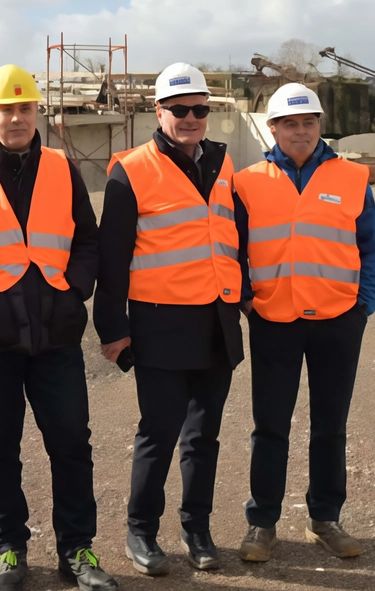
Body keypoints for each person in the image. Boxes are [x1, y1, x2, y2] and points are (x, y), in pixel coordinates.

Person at [0, 64, 116, 591]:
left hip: (55, 337)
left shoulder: (61, 167)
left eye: (25, 107)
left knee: (71, 444)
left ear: (38, 111)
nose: (16, 118)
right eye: (6, 108)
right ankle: (10, 548)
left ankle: (77, 549)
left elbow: (87, 239)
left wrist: (74, 288)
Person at [94, 62, 244, 575]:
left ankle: (197, 528)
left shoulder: (223, 165)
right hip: (160, 325)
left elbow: (233, 236)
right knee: (158, 433)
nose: (191, 118)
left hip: (217, 322)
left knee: (204, 436)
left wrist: (243, 295)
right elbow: (110, 260)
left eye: (199, 109)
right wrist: (112, 330)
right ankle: (141, 532)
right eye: (179, 110)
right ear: (159, 112)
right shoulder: (131, 169)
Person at [232, 82, 375, 562]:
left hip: (339, 320)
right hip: (274, 319)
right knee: (270, 425)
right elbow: (232, 251)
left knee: (330, 425)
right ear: (272, 128)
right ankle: (262, 524)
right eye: (290, 124)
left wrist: (364, 303)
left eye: (309, 123)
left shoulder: (352, 178)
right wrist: (247, 302)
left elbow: (374, 246)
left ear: (320, 125)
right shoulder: (248, 181)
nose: (300, 132)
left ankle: (326, 518)